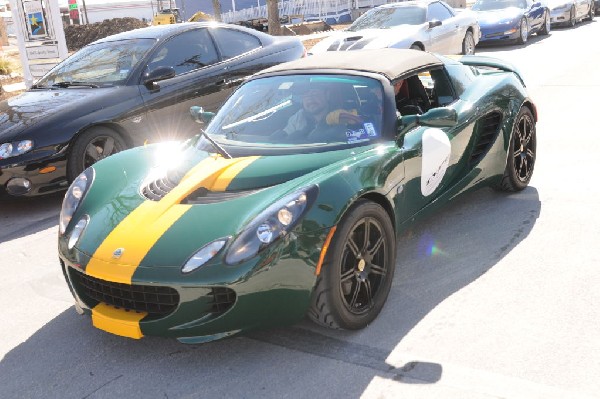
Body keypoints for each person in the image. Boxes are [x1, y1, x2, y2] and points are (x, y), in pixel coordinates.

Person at [280, 85, 362, 142]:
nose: (310, 99)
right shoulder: (298, 117)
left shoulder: (342, 115)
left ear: (327, 95)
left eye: (314, 93)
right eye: (306, 96)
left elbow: (359, 136)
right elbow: (286, 138)